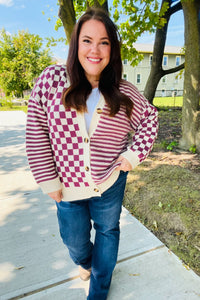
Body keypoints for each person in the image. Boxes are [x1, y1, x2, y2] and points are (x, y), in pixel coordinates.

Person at [26, 7, 158, 300]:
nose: (95, 50)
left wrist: (132, 156)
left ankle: (98, 288)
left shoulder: (123, 92)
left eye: (104, 42)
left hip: (109, 183)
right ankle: (86, 263)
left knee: (108, 231)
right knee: (74, 242)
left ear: (112, 48)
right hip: (66, 186)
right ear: (76, 45)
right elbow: (36, 131)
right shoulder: (51, 80)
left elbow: (150, 118)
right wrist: (48, 180)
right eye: (87, 40)